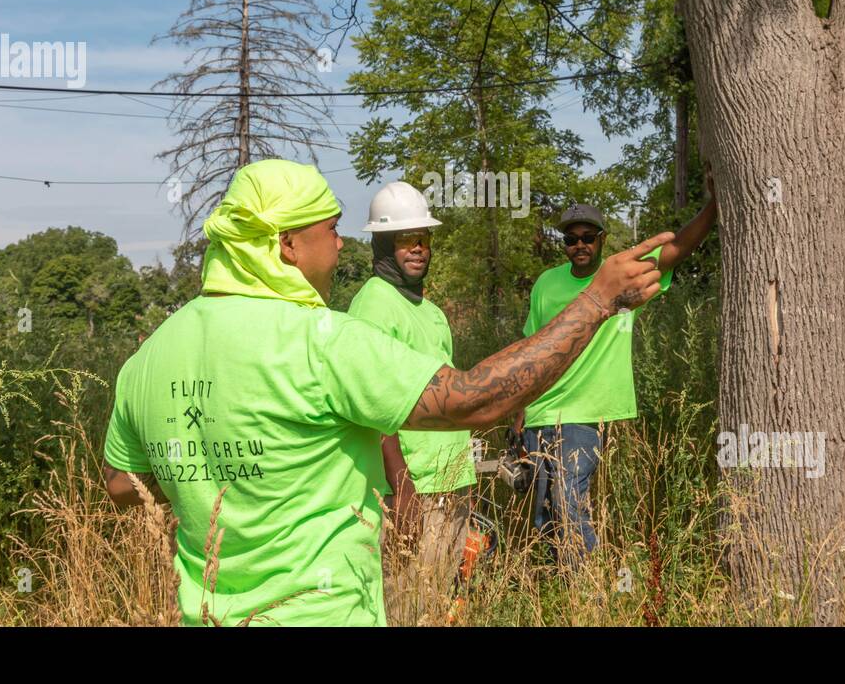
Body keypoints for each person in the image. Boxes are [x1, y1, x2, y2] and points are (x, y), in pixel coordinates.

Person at [102, 159, 672, 626]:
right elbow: (469, 400)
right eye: (329, 228)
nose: (341, 242)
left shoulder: (149, 356)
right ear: (286, 247)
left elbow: (122, 486)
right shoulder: (320, 341)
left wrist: (211, 462)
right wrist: (596, 302)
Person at [517, 180, 717, 566]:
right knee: (544, 518)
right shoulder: (545, 284)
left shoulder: (621, 281)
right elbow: (532, 351)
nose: (579, 245)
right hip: (539, 415)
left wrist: (714, 205)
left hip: (584, 417)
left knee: (568, 501)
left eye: (587, 237)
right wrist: (518, 412)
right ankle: (560, 596)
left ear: (602, 239)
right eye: (570, 239)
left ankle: (591, 595)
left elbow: (675, 249)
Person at [348, 181, 474, 625]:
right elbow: (368, 402)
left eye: (423, 238)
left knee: (439, 609)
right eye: (405, 240)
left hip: (450, 483)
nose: (418, 249)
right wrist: (401, 489)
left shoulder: (430, 310)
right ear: (381, 244)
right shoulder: (373, 306)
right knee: (408, 609)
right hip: (413, 491)